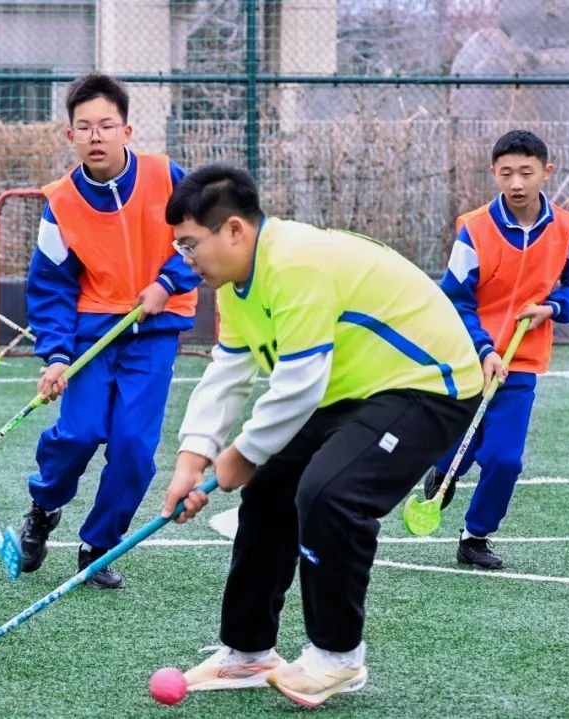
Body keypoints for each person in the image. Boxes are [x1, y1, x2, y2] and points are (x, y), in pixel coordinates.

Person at [160, 164, 482, 708]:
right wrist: (193, 456)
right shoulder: (238, 284)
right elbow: (228, 371)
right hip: (353, 391)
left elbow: (298, 384)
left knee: (331, 494)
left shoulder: (294, 262)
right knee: (270, 491)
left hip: (430, 386)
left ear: (234, 230)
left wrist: (241, 454)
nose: (184, 260)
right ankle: (248, 652)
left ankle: (338, 658)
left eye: (191, 245)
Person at [20, 73, 199, 589]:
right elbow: (50, 287)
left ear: (127, 130)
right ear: (69, 136)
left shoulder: (167, 176)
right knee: (77, 433)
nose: (95, 136)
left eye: (106, 125)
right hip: (90, 337)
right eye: (84, 127)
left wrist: (168, 281)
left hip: (155, 333)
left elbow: (201, 235)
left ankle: (98, 545)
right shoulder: (60, 203)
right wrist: (55, 355)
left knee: (134, 448)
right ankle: (44, 505)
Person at [424, 129, 569, 569]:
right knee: (461, 441)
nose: (517, 183)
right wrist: (483, 349)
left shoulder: (566, 228)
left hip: (522, 361)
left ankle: (475, 536)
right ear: (494, 174)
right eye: (506, 173)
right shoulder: (475, 230)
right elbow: (456, 300)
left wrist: (554, 307)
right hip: (471, 357)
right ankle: (445, 469)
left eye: (526, 172)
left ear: (547, 171)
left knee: (504, 459)